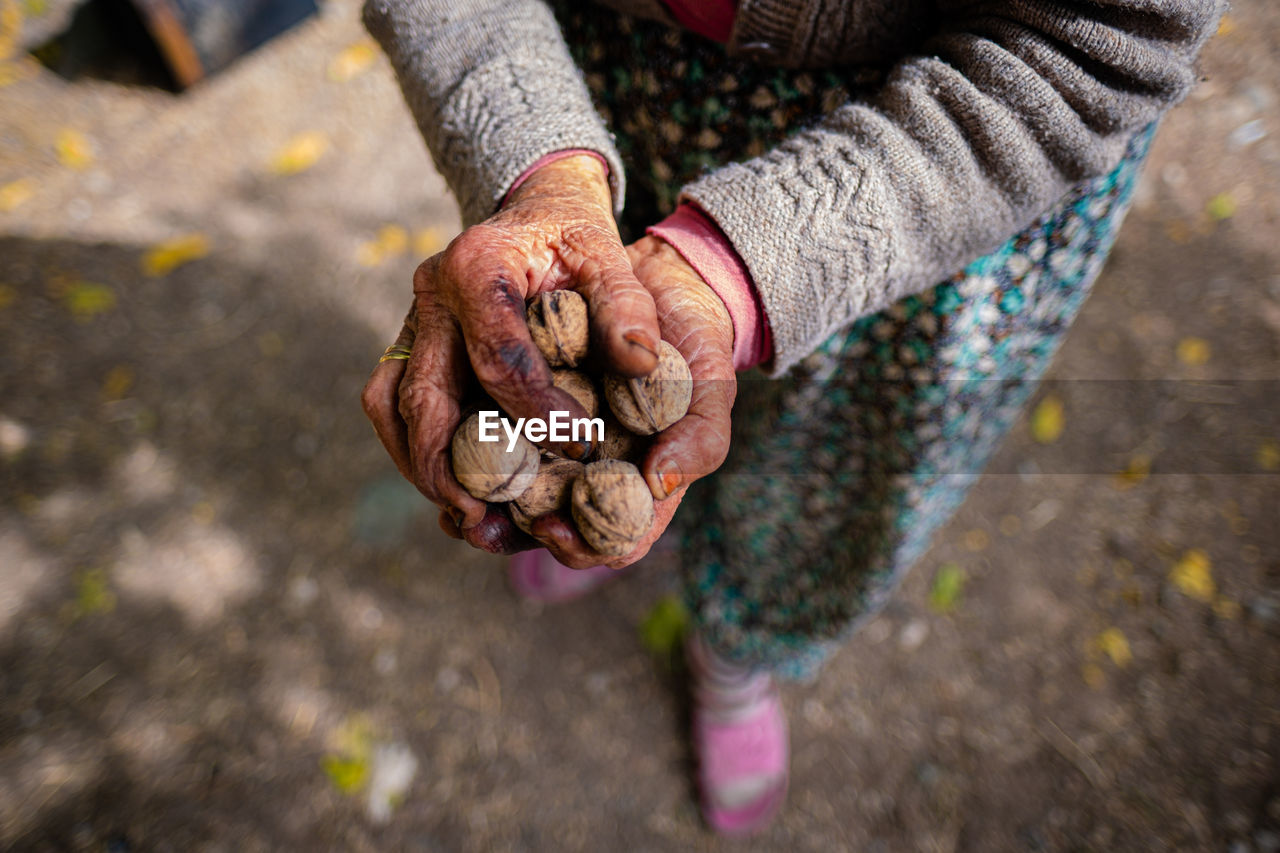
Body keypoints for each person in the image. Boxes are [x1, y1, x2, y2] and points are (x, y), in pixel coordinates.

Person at [359, 0, 1222, 835]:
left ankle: (738, 649)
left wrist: (730, 272)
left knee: (818, 473)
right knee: (623, 403)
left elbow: (1103, 41)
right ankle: (606, 540)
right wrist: (537, 171)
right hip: (594, 93)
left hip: (936, 158)